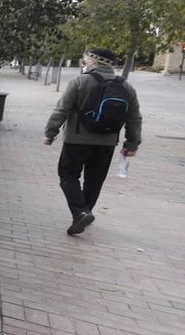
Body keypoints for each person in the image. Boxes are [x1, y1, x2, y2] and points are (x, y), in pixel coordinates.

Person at [43, 48, 142, 235]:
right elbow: (135, 118)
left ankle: (80, 212)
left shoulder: (80, 82)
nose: (83, 64)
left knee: (68, 175)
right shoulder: (126, 87)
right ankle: (85, 212)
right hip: (106, 143)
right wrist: (132, 144)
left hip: (76, 140)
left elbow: (61, 110)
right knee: (95, 180)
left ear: (94, 63)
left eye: (84, 61)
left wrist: (50, 132)